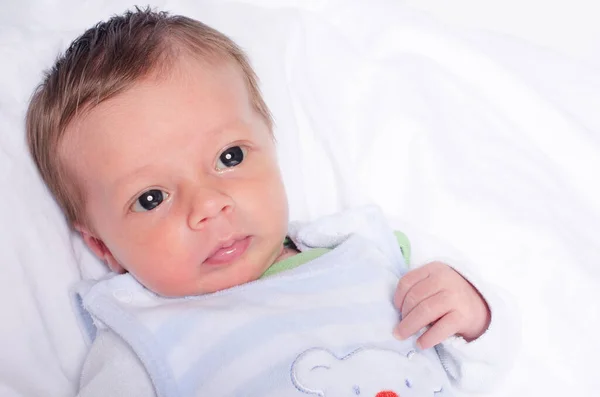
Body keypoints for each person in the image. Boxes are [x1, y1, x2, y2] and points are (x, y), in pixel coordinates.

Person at [26, 8, 518, 397]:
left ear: (271, 144)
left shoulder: (368, 252)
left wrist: (474, 316)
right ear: (102, 246)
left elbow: (481, 365)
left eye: (229, 156)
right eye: (151, 198)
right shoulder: (142, 343)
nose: (209, 205)